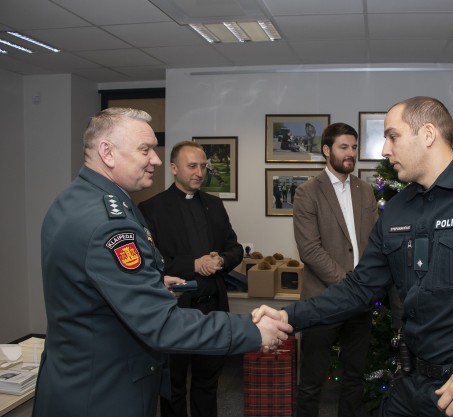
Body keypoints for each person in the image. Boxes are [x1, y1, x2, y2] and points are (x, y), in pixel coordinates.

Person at [254, 96, 453, 417]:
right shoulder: (397, 210)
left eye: (392, 137)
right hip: (409, 384)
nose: (384, 150)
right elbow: (358, 288)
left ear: (428, 134)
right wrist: (289, 318)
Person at [32, 108, 292, 417]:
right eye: (145, 150)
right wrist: (251, 330)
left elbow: (96, 285)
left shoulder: (76, 198)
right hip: (102, 391)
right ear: (107, 152)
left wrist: (154, 282)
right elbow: (161, 324)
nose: (155, 160)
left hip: (79, 378)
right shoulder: (109, 222)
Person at [138, 141, 243, 417]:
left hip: (212, 310)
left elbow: (234, 248)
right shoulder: (151, 208)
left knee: (208, 384)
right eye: (192, 166)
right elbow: (149, 261)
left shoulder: (214, 205)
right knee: (173, 387)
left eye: (203, 166)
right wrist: (193, 264)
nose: (200, 172)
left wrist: (221, 260)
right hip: (175, 311)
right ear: (173, 168)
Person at [293, 122, 379, 417]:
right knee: (311, 382)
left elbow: (375, 243)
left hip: (360, 303)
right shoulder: (307, 192)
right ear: (327, 150)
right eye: (344, 147)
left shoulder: (365, 190)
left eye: (354, 147)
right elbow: (310, 250)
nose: (350, 153)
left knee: (355, 377)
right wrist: (351, 285)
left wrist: (364, 286)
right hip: (323, 299)